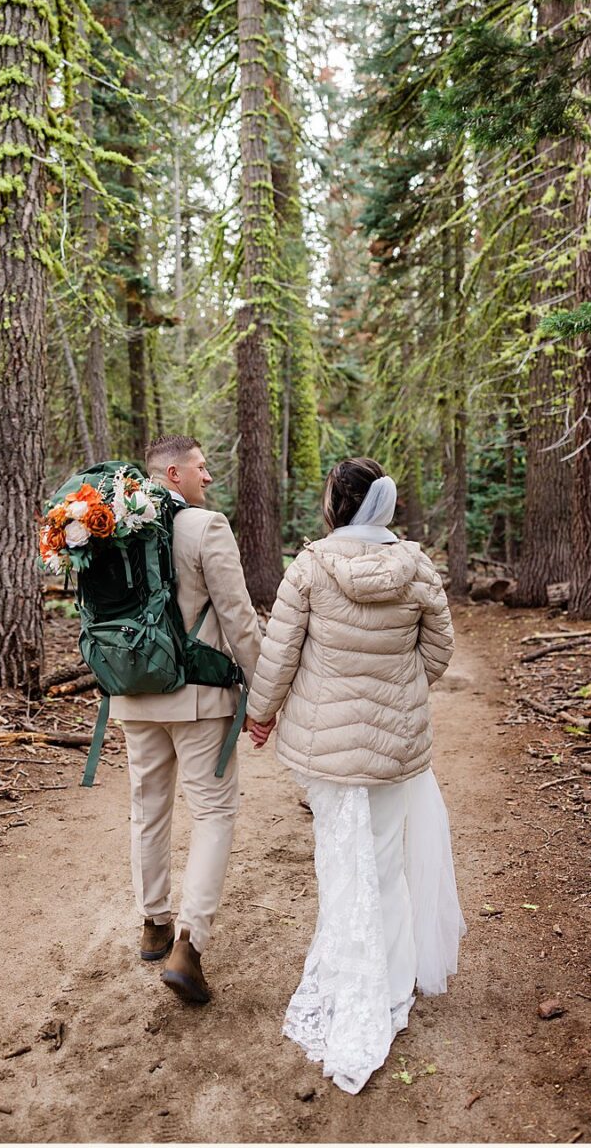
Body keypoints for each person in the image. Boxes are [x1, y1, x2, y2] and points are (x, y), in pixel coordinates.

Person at [245, 456, 464, 1095]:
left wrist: (262, 715)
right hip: (395, 750)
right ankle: (392, 988)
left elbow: (281, 651)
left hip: (328, 751)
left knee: (341, 866)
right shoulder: (417, 566)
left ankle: (348, 982)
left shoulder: (310, 566)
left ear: (338, 506)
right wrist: (400, 694)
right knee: (386, 866)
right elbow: (440, 648)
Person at [109, 435, 265, 1004]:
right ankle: (188, 948)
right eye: (201, 468)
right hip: (199, 697)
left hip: (131, 694)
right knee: (215, 812)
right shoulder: (205, 527)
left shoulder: (114, 527)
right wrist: (264, 690)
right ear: (172, 473)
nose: (208, 478)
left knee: (147, 809)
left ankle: (153, 923)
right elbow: (239, 619)